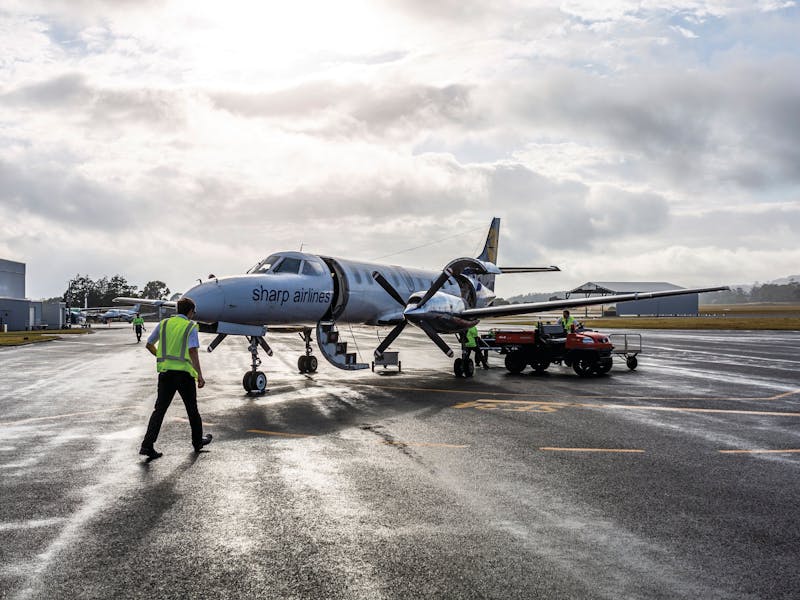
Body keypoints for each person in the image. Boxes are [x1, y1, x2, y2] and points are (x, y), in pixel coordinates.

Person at [139, 297, 211, 460]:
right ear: (190, 311)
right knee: (192, 410)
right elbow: (193, 351)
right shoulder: (190, 326)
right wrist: (199, 374)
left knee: (159, 410)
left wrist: (162, 356)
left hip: (165, 374)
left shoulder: (164, 324)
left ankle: (147, 445)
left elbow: (149, 344)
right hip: (184, 375)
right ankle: (197, 441)